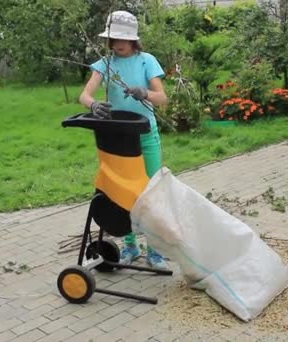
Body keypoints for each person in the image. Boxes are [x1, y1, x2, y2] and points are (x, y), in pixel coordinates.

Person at [79, 10, 169, 270]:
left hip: (145, 135)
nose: (116, 43)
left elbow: (162, 97)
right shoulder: (105, 64)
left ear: (132, 39)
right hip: (118, 140)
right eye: (112, 38)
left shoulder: (146, 61)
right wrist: (94, 104)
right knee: (122, 191)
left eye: (121, 38)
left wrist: (145, 93)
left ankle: (155, 250)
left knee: (150, 192)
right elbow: (84, 95)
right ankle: (130, 245)